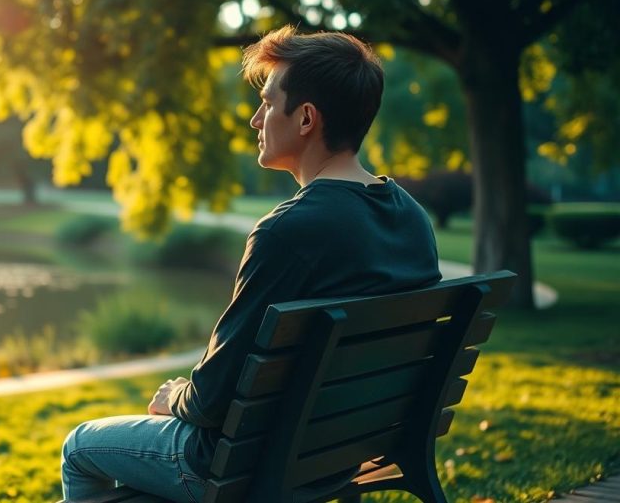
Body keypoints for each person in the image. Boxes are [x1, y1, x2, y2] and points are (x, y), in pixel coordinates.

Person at [60, 25, 442, 502]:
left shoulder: (287, 230)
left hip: (239, 464)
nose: (256, 120)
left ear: (306, 119)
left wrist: (173, 397)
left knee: (79, 446)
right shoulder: (410, 216)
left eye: (266, 102)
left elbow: (212, 399)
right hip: (340, 449)